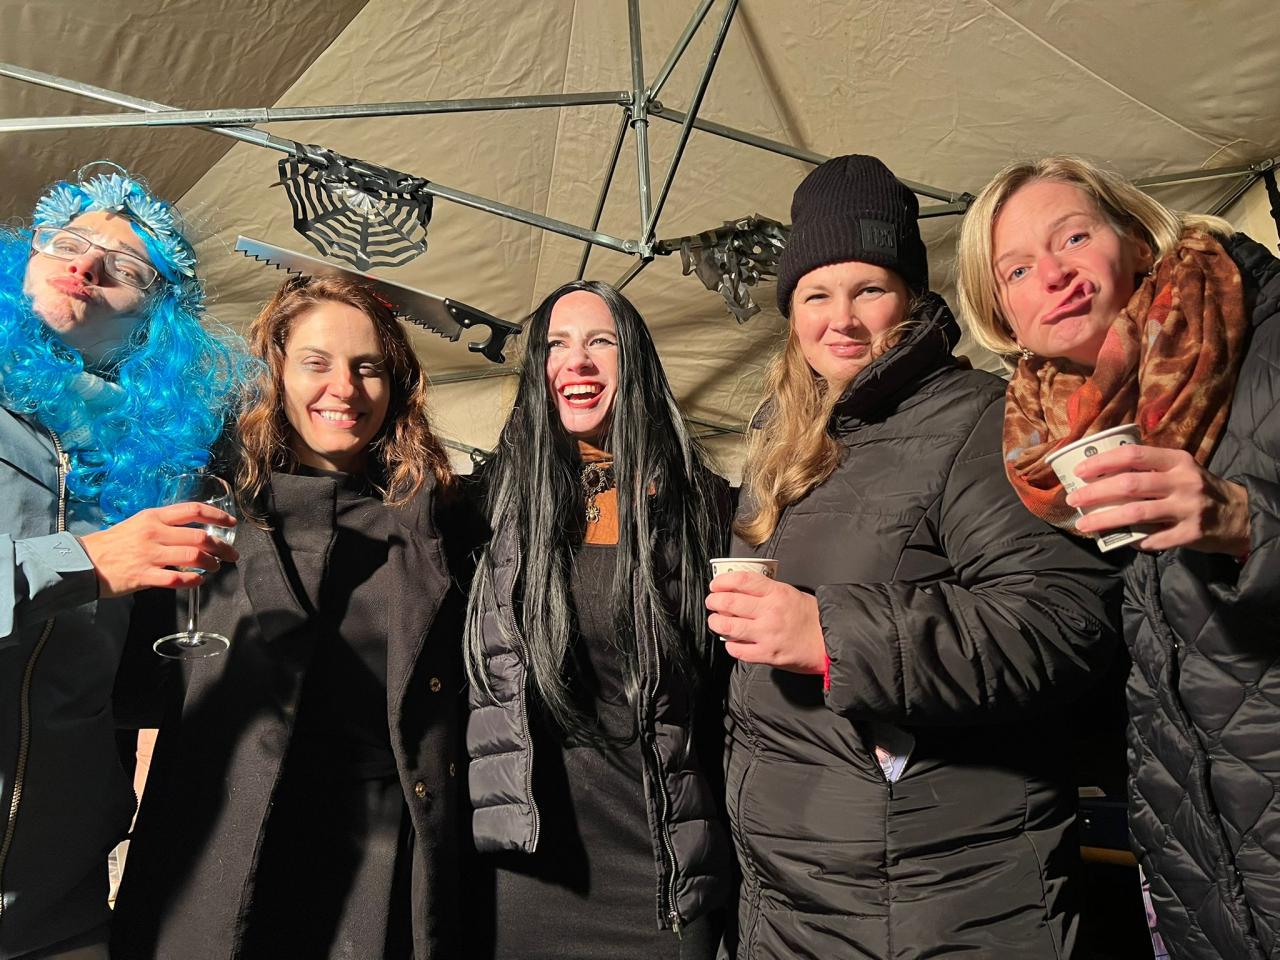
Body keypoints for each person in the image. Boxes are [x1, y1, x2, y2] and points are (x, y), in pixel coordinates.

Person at [706, 155, 1122, 959]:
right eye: (816, 295)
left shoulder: (979, 421)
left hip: (936, 900)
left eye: (868, 289)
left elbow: (1064, 620)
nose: (842, 319)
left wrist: (830, 635)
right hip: (792, 903)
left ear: (911, 297)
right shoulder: (784, 444)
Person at [956, 155, 1280, 960]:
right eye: (1017, 270)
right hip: (1200, 876)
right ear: (1004, 315)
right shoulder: (1040, 446)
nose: (1053, 275)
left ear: (1136, 240)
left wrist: (1245, 521)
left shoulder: (1266, 335)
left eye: (1074, 237)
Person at [111, 276, 469, 959]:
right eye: (316, 362)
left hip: (372, 876)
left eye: (368, 367)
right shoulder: (202, 510)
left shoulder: (435, 526)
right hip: (213, 863)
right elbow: (135, 690)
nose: (345, 387)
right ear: (274, 373)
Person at [0, 165, 247, 960]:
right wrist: (83, 562)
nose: (86, 263)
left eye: (126, 267)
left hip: (60, 908)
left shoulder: (141, 462)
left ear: (157, 323)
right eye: (68, 241)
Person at [464, 280, 732, 959]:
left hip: (661, 875)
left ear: (632, 360)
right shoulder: (489, 507)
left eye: (600, 342)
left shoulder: (699, 509)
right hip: (528, 879)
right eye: (556, 344)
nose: (576, 361)